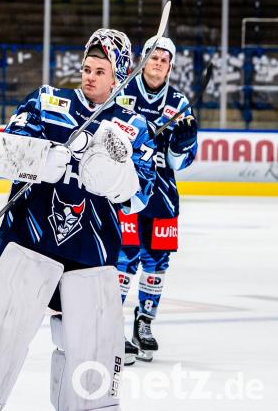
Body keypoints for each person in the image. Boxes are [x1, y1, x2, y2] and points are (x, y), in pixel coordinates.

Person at [0, 29, 156, 411]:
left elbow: (140, 195)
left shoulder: (132, 127)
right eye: (87, 67)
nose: (89, 76)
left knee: (84, 347)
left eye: (100, 71)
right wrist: (39, 158)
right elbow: (4, 153)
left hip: (91, 253)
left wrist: (115, 178)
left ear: (118, 78)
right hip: (28, 243)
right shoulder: (48, 101)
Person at [116, 36, 198, 365]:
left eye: (165, 59)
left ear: (170, 66)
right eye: (154, 56)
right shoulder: (122, 93)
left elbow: (180, 162)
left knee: (157, 262)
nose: (159, 62)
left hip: (163, 195)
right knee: (123, 260)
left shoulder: (179, 104)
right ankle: (112, 326)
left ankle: (144, 323)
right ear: (144, 59)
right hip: (126, 191)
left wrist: (182, 141)